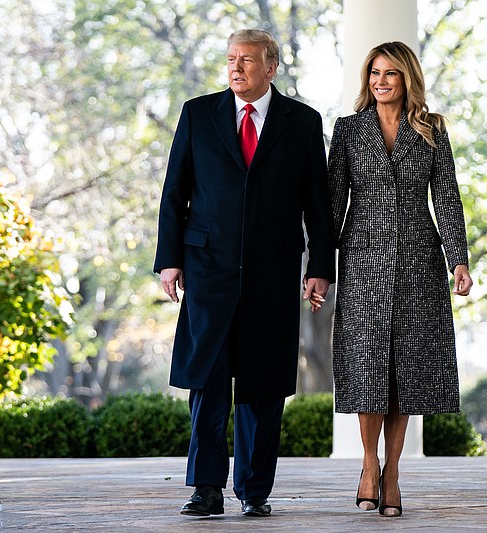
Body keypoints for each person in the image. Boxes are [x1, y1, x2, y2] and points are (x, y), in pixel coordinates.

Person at [154, 29, 335, 518]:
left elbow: (318, 205)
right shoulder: (198, 114)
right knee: (208, 382)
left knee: (263, 384)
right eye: (231, 59)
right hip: (207, 270)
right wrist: (168, 259)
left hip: (273, 272)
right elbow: (175, 194)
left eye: (248, 60)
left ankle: (255, 491)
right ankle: (206, 488)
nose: (236, 68)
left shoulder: (302, 122)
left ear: (271, 67)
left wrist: (320, 266)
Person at [327, 41, 473, 517]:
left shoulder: (431, 130)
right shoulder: (348, 130)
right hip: (363, 259)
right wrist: (317, 268)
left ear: (407, 77)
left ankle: (393, 471)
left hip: (417, 260)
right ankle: (369, 464)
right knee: (368, 366)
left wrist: (459, 259)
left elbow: (447, 198)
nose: (381, 81)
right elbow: (332, 202)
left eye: (390, 73)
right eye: (374, 72)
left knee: (404, 371)